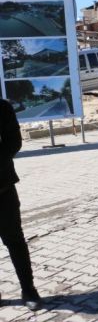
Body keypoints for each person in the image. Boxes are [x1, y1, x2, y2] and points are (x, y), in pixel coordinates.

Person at [0, 99, 42, 311]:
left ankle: (29, 289)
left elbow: (13, 142)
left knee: (14, 241)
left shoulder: (3, 107)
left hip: (2, 189)